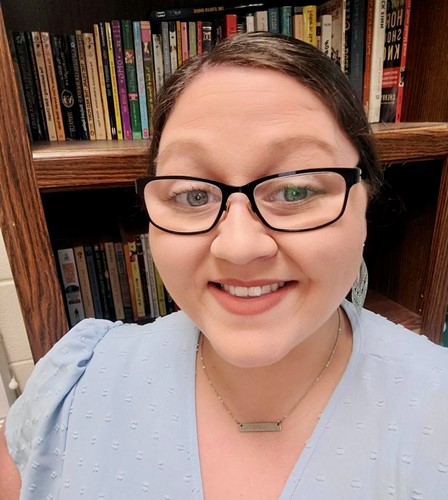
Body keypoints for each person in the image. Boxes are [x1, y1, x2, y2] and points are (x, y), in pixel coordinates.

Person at [2, 32, 448, 499]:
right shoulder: (74, 383)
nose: (238, 247)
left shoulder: (434, 411)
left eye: (295, 190)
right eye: (193, 195)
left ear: (365, 203)